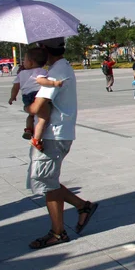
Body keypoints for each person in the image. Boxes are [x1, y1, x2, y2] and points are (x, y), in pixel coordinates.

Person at [25, 38, 98, 249]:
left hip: (54, 134)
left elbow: (39, 105)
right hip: (56, 132)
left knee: (46, 180)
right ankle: (82, 207)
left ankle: (58, 232)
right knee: (48, 180)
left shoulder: (56, 72)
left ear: (45, 50)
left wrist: (27, 107)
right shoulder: (61, 68)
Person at [9, 47, 63, 147]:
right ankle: (37, 139)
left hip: (26, 98)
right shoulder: (40, 71)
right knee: (43, 118)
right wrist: (54, 83)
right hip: (36, 96)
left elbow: (15, 86)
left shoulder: (21, 73)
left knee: (31, 115)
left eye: (24, 60)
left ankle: (28, 128)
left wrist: (12, 97)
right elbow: (40, 81)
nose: (23, 62)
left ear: (31, 62)